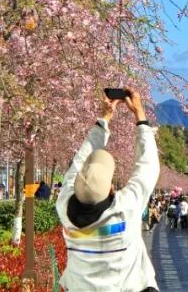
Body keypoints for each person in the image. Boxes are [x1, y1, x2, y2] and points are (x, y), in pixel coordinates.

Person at [57, 89, 159, 292]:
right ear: (111, 187)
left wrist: (104, 118)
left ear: (77, 186)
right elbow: (148, 166)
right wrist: (139, 114)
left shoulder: (64, 206)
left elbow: (78, 164)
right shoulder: (125, 209)